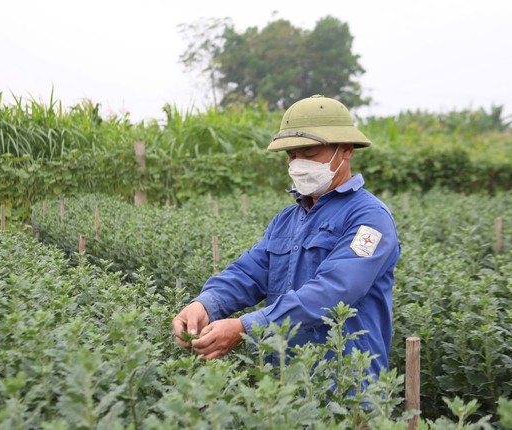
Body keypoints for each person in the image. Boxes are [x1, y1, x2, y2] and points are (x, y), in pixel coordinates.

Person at [171, 94, 401, 378]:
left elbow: (334, 291)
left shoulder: (369, 219)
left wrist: (245, 327)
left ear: (346, 150)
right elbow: (249, 273)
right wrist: (205, 304)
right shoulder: (288, 219)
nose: (298, 163)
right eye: (292, 155)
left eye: (310, 152)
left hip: (346, 386)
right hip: (285, 385)